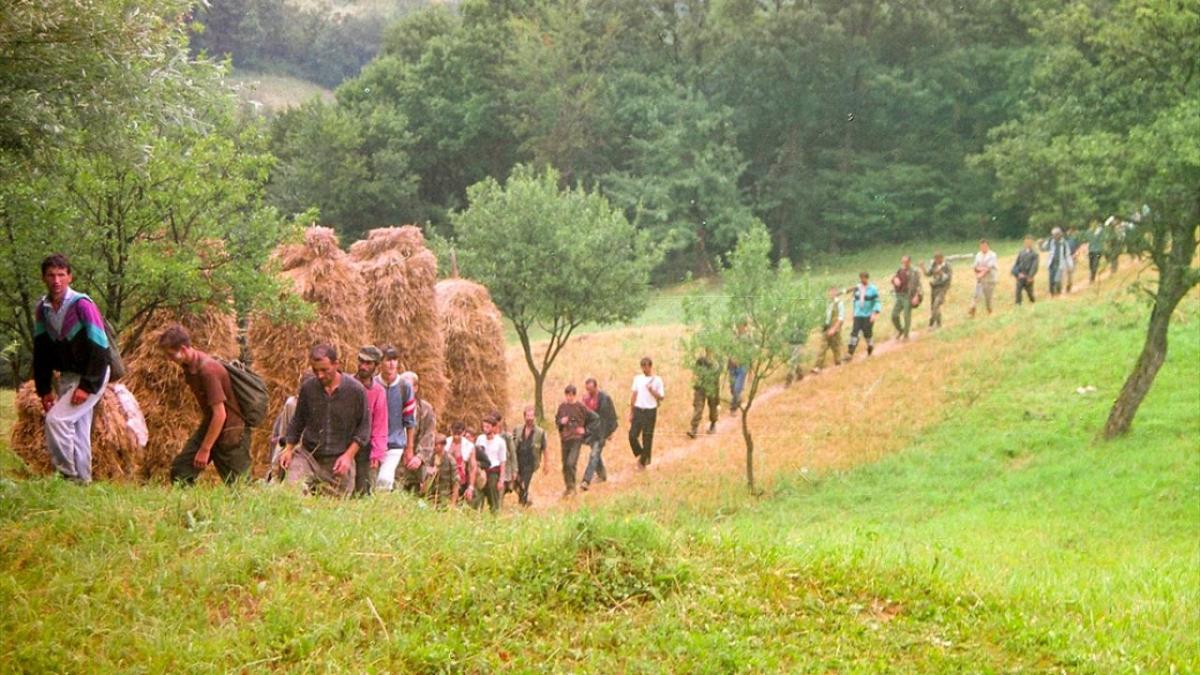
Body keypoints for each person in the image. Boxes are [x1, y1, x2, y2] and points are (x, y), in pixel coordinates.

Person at [32, 254, 112, 484]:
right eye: (51, 275)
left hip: (93, 374)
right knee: (78, 429)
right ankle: (83, 482)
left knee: (56, 421)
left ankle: (67, 476)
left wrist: (87, 386)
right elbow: (42, 352)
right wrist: (44, 389)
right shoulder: (43, 309)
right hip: (69, 375)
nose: (56, 280)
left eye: (61, 275)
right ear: (43, 278)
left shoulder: (82, 305)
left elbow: (100, 347)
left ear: (69, 276)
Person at [158, 324, 250, 486]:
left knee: (240, 486)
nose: (170, 359)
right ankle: (191, 508)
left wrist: (205, 449)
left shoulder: (208, 371)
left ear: (184, 349)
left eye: (172, 355)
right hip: (211, 425)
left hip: (231, 431)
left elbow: (220, 414)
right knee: (181, 472)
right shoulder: (189, 366)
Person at [279, 343, 369, 497]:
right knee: (291, 493)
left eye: (324, 370)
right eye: (315, 371)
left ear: (336, 364)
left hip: (339, 459)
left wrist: (348, 456)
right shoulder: (308, 388)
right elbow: (297, 421)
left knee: (333, 509)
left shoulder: (355, 391)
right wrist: (288, 448)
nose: (320, 375)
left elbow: (363, 429)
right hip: (309, 456)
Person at [374, 345, 415, 492]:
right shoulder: (373, 384)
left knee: (384, 480)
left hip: (395, 443)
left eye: (394, 360)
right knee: (370, 483)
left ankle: (383, 511)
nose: (392, 364)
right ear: (380, 362)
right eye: (388, 360)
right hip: (374, 443)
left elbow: (409, 421)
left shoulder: (405, 387)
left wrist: (409, 449)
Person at [351, 346, 388, 496]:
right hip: (342, 442)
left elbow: (380, 424)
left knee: (362, 489)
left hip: (364, 446)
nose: (363, 366)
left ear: (376, 367)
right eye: (361, 361)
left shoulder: (378, 392)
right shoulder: (347, 383)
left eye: (369, 363)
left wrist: (377, 452)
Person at [555, 384, 597, 497]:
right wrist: (561, 422)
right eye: (567, 395)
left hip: (576, 439)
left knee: (571, 462)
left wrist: (585, 430)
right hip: (564, 439)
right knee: (565, 465)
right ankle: (568, 487)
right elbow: (557, 422)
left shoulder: (580, 407)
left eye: (571, 395)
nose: (569, 398)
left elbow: (594, 418)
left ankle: (573, 487)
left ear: (574, 395)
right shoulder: (562, 407)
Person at [400, 371, 437, 494]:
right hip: (396, 460)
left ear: (415, 388)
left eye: (408, 386)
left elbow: (429, 435)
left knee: (413, 494)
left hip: (415, 463)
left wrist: (420, 457)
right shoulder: (393, 406)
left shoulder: (425, 410)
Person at [581, 378, 618, 491]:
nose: (589, 392)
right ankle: (602, 475)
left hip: (601, 432)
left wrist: (610, 431)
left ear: (596, 387)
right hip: (591, 432)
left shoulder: (605, 398)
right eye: (588, 390)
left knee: (594, 455)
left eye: (591, 389)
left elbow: (612, 415)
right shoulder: (585, 400)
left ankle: (586, 481)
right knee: (596, 454)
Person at [628, 356, 664, 469]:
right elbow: (634, 395)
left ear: (650, 366)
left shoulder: (657, 380)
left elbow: (661, 397)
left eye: (646, 367)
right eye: (642, 367)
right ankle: (643, 454)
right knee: (632, 435)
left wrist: (652, 390)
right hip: (639, 410)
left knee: (647, 437)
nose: (644, 369)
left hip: (650, 411)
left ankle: (642, 462)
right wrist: (631, 411)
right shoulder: (637, 379)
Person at [510, 407, 547, 507]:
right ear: (524, 416)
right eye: (528, 416)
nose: (530, 418)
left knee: (524, 483)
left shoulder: (540, 432)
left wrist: (546, 464)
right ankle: (526, 500)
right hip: (518, 461)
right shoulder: (517, 429)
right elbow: (512, 444)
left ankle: (522, 504)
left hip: (530, 462)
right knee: (515, 484)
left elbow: (544, 448)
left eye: (531, 416)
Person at [474, 412, 507, 513]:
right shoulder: (480, 439)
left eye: (488, 427)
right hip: (481, 471)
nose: (485, 429)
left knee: (493, 497)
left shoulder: (500, 442)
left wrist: (501, 480)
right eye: (484, 426)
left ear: (493, 428)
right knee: (477, 495)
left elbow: (502, 461)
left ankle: (494, 516)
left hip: (493, 472)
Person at [845, 272, 881, 361]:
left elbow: (877, 302)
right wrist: (853, 313)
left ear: (867, 278)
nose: (862, 280)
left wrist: (874, 313)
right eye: (861, 278)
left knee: (867, 334)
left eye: (864, 278)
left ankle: (870, 346)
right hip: (858, 314)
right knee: (854, 333)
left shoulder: (873, 289)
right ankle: (850, 352)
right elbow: (855, 301)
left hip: (868, 315)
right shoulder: (857, 288)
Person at [687, 349, 721, 438]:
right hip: (700, 386)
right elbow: (696, 372)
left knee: (713, 406)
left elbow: (716, 378)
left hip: (711, 386)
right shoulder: (700, 360)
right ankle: (694, 428)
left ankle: (713, 424)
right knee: (698, 407)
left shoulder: (716, 363)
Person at [446, 421, 480, 508]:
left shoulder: (469, 446)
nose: (456, 436)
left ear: (463, 432)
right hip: (445, 478)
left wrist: (471, 487)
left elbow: (473, 467)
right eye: (454, 433)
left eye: (459, 433)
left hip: (460, 479)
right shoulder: (445, 442)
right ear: (451, 431)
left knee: (458, 504)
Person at [890, 255, 921, 340]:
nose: (904, 264)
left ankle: (906, 335)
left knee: (906, 315)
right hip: (899, 295)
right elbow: (892, 279)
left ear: (910, 262)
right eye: (903, 262)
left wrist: (916, 296)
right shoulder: (899, 270)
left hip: (908, 295)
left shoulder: (914, 271)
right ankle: (900, 330)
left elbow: (919, 285)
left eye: (906, 262)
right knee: (894, 315)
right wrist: (894, 280)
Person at [1040, 227, 1074, 297]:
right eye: (1053, 235)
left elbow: (1067, 255)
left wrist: (1070, 265)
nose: (1054, 236)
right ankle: (1052, 294)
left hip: (1060, 265)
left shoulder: (1064, 243)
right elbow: (1043, 249)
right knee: (1051, 281)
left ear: (1060, 234)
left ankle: (1058, 293)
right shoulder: (1051, 242)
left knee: (1057, 280)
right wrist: (1040, 244)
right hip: (1051, 264)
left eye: (1056, 234)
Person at [969, 240, 998, 317]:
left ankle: (990, 311)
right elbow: (975, 266)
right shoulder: (978, 255)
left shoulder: (993, 255)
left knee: (988, 298)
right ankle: (973, 308)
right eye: (981, 246)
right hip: (980, 280)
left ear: (988, 246)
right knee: (976, 295)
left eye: (985, 246)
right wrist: (978, 273)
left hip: (990, 279)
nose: (983, 248)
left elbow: (989, 268)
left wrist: (981, 272)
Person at [924, 254, 952, 329]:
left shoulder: (947, 266)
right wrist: (922, 267)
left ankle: (932, 323)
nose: (936, 261)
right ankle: (938, 324)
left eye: (937, 259)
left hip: (942, 288)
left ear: (942, 258)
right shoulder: (934, 264)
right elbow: (928, 274)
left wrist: (941, 272)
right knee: (934, 307)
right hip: (934, 288)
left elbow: (947, 278)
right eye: (935, 259)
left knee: (936, 304)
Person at [1012, 236, 1039, 305]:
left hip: (1028, 276)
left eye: (1029, 242)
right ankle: (1018, 305)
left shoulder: (1035, 254)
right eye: (1026, 242)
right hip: (1020, 275)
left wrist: (1030, 276)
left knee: (1030, 293)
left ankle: (1033, 302)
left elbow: (1034, 266)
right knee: (1018, 291)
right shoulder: (1021, 252)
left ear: (1032, 243)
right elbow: (1016, 264)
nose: (1028, 244)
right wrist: (1017, 274)